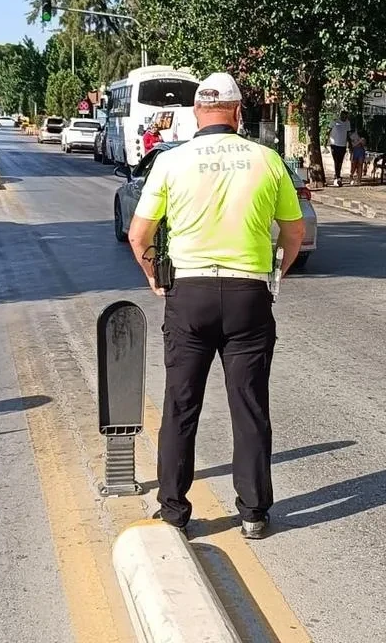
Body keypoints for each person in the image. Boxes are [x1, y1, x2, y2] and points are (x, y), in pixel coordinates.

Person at [127, 72, 306, 540]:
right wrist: (273, 276)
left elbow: (139, 234)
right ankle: (253, 513)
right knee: (249, 406)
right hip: (248, 297)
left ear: (194, 113)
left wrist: (155, 278)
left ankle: (173, 512)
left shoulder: (171, 161)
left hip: (190, 295)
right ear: (238, 112)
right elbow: (294, 233)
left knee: (180, 405)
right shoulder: (267, 160)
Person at [327, 111, 351, 187]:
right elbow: (328, 131)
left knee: (340, 162)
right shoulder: (335, 121)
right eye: (343, 116)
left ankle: (337, 175)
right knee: (336, 161)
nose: (344, 118)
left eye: (346, 116)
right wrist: (326, 141)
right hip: (334, 144)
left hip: (342, 145)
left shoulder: (347, 123)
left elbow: (348, 134)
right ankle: (337, 177)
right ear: (340, 115)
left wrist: (349, 144)